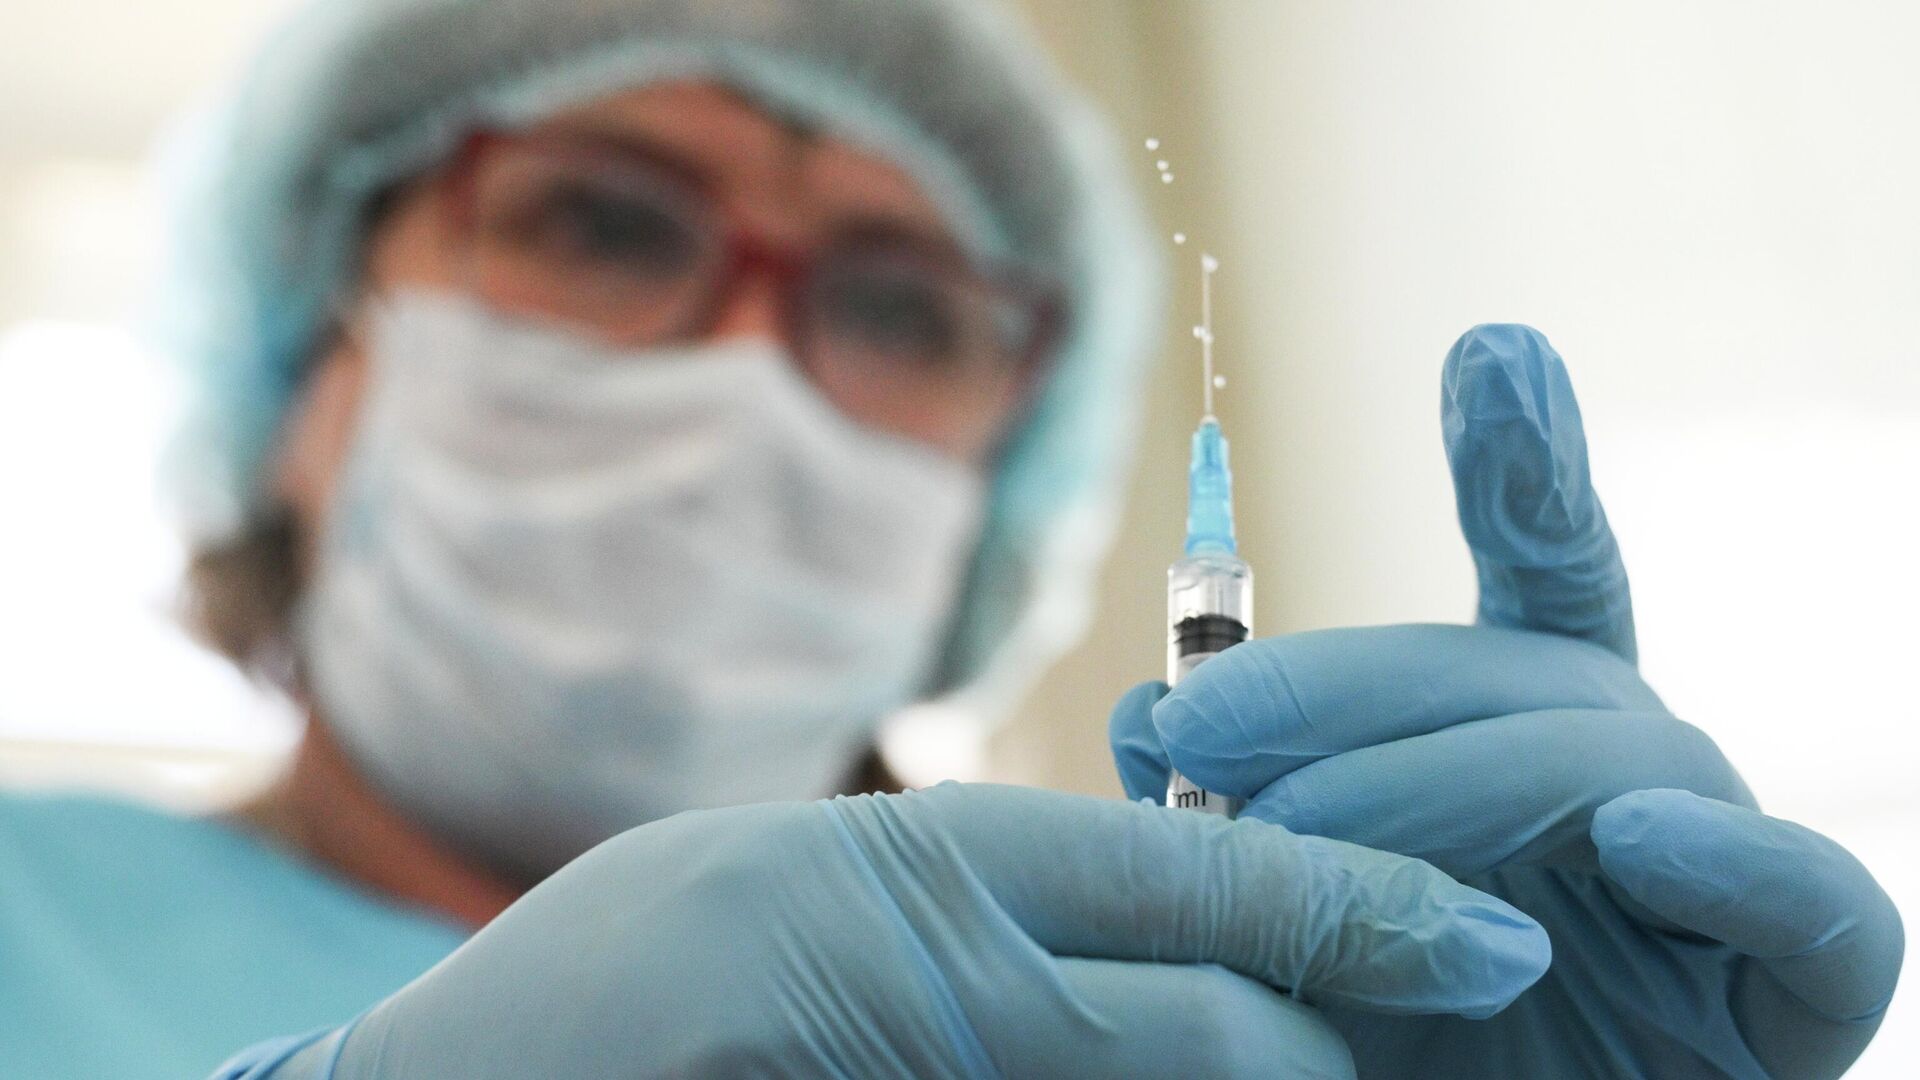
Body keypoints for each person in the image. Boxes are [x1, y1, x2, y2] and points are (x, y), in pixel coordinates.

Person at [0, 1, 1898, 1077]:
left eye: (901, 306)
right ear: (306, 350)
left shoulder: (1150, 1032)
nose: (747, 387)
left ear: (1000, 492)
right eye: (602, 222)